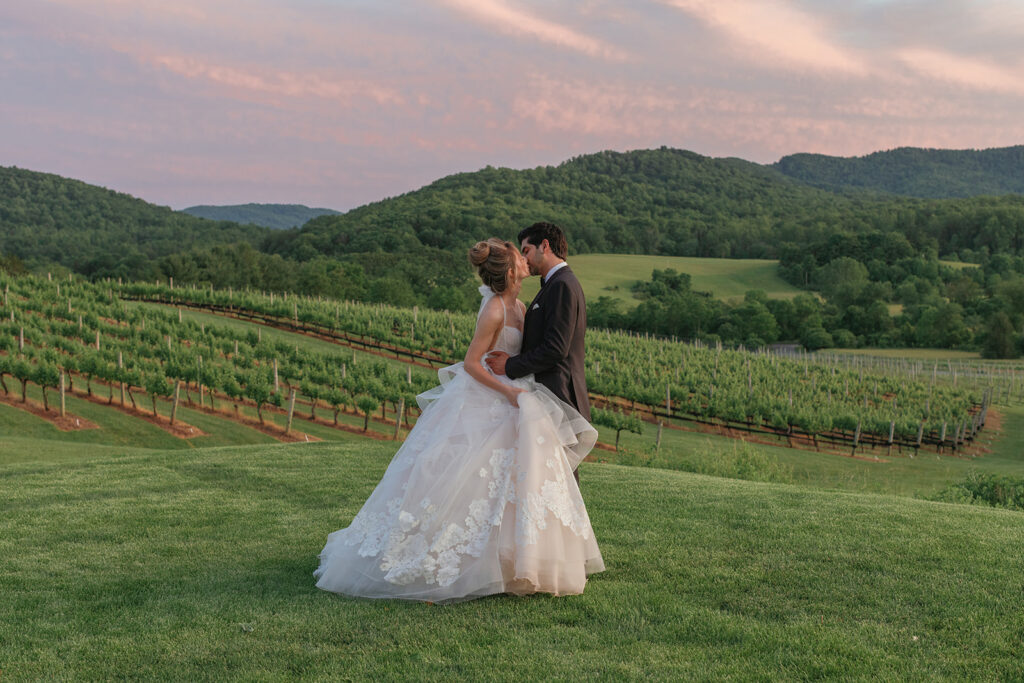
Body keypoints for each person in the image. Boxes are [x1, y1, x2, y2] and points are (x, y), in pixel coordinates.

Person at [314, 238, 604, 603]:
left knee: (519, 481)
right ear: (512, 269)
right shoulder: (496, 309)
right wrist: (508, 391)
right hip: (494, 395)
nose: (526, 258)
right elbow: (471, 363)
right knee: (471, 480)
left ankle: (519, 559)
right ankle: (452, 559)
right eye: (520, 256)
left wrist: (517, 381)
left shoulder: (520, 306)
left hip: (519, 391)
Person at [486, 222, 589, 483]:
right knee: (550, 475)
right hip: (547, 393)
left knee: (560, 477)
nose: (524, 258)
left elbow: (555, 349)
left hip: (559, 393)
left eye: (527, 250)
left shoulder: (562, 286)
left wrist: (510, 366)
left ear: (545, 246)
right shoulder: (553, 285)